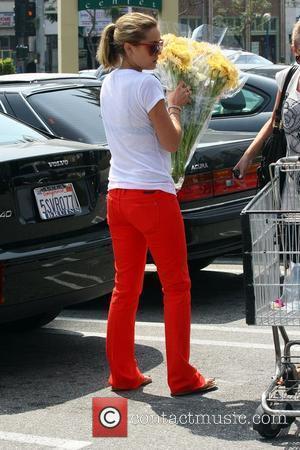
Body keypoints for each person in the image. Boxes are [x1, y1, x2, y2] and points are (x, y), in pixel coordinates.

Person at [97, 12, 216, 396]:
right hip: (152, 196)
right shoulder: (147, 85)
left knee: (125, 287)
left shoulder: (108, 82)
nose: (159, 51)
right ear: (128, 47)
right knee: (177, 286)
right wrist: (176, 104)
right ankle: (181, 377)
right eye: (153, 45)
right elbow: (170, 143)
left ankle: (123, 373)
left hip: (118, 195)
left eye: (160, 43)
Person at [233, 21, 300, 178]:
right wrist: (247, 156)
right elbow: (273, 121)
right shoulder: (287, 77)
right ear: (294, 50)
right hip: (289, 179)